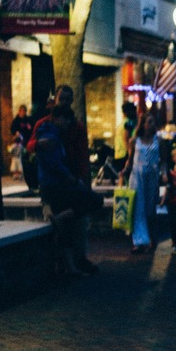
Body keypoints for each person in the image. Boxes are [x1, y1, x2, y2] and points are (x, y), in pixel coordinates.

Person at [33, 105, 101, 274]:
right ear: (57, 118)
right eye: (66, 119)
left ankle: (68, 266)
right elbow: (53, 163)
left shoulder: (53, 132)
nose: (68, 123)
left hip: (56, 183)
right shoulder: (49, 134)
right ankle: (59, 218)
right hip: (55, 185)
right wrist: (70, 178)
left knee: (68, 226)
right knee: (94, 200)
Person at [121, 116, 163, 255]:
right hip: (137, 175)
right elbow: (130, 159)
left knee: (150, 207)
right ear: (143, 124)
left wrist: (164, 173)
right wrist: (125, 170)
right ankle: (139, 241)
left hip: (152, 174)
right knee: (138, 207)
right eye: (149, 122)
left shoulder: (159, 140)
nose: (152, 125)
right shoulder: (134, 141)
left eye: (153, 122)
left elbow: (164, 159)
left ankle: (152, 237)